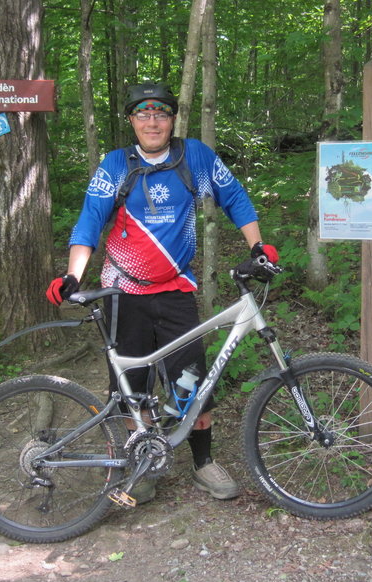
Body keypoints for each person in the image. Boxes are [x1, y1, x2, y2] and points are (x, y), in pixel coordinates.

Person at [45, 82, 278, 504]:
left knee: (193, 382)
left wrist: (258, 249)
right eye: (143, 114)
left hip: (175, 292)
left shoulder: (195, 158)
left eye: (161, 113)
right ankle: (144, 464)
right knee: (131, 385)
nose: (152, 121)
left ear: (173, 120)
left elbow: (236, 198)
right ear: (131, 121)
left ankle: (204, 464)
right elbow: (89, 221)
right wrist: (73, 276)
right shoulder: (116, 165)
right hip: (121, 293)